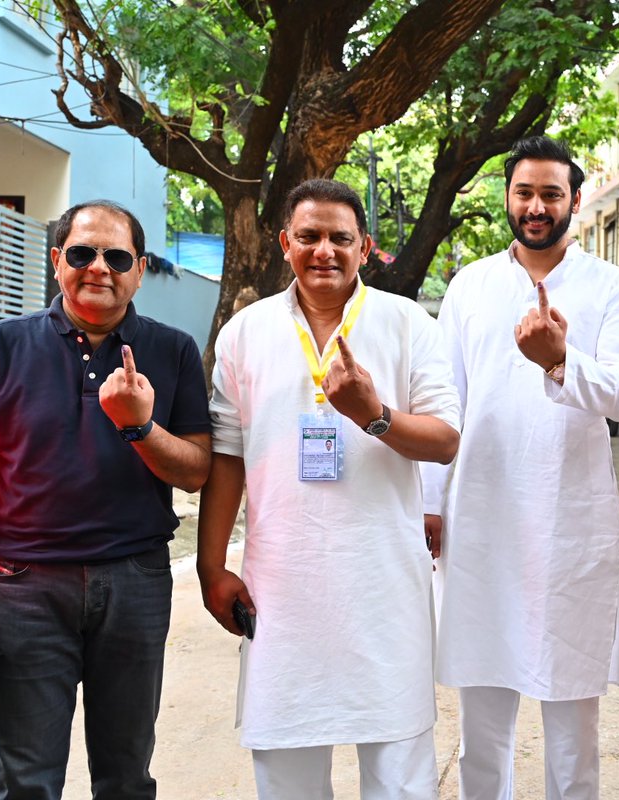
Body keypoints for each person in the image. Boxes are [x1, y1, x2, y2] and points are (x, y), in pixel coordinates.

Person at [0, 200, 212, 797]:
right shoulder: (0, 346)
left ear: (138, 270)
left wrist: (139, 426)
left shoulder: (174, 350)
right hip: (27, 587)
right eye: (82, 253)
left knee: (126, 776)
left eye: (117, 256)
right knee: (26, 781)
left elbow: (197, 471)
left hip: (135, 583)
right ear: (57, 262)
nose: (98, 267)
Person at [197, 178, 460, 799]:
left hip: (382, 583)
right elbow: (227, 456)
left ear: (364, 247)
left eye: (340, 238)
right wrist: (211, 567)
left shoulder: (406, 323)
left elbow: (446, 439)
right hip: (282, 584)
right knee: (287, 762)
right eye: (309, 237)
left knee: (399, 769)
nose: (324, 251)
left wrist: (375, 414)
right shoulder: (246, 331)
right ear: (285, 242)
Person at [420, 135, 619, 800]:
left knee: (571, 713)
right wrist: (432, 501)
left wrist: (559, 361)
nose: (537, 205)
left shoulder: (609, 288)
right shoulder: (470, 286)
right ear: (508, 200)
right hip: (483, 517)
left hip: (569, 521)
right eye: (525, 192)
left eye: (552, 193)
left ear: (576, 200)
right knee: (482, 718)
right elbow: (445, 401)